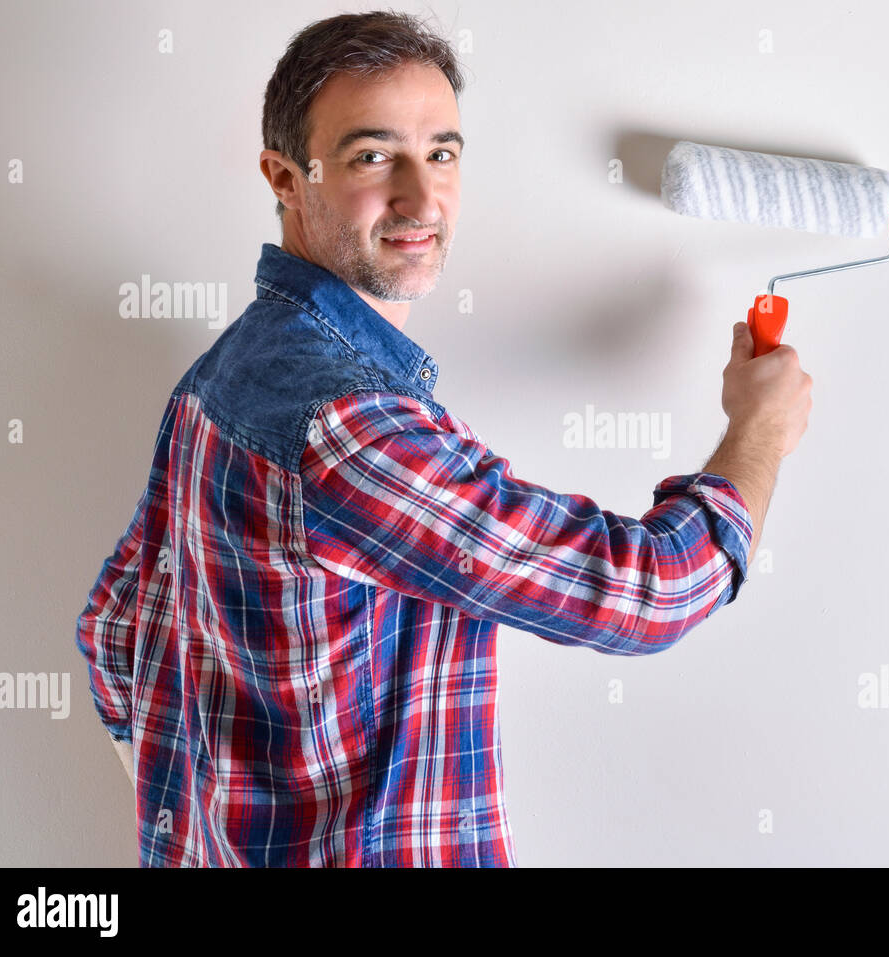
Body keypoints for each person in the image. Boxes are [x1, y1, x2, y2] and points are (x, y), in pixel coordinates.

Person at [74, 9, 811, 867]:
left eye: (443, 153)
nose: (422, 198)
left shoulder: (222, 375)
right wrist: (758, 432)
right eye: (373, 156)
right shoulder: (351, 432)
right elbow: (648, 593)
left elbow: (113, 629)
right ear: (284, 175)